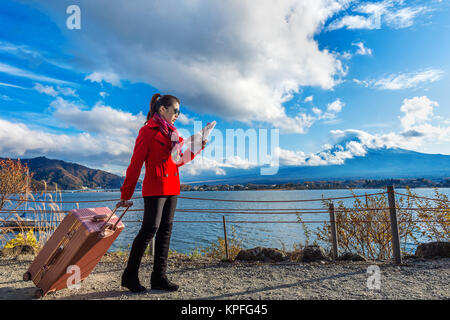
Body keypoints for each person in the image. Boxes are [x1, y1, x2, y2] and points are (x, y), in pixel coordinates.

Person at [118, 93, 207, 292]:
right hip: (155, 188)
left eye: (179, 112)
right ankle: (129, 276)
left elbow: (179, 160)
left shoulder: (174, 134)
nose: (178, 115)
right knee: (149, 229)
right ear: (162, 109)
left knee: (165, 231)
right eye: (175, 111)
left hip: (173, 187)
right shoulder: (147, 131)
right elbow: (135, 164)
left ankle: (159, 277)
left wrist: (198, 146)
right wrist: (126, 194)